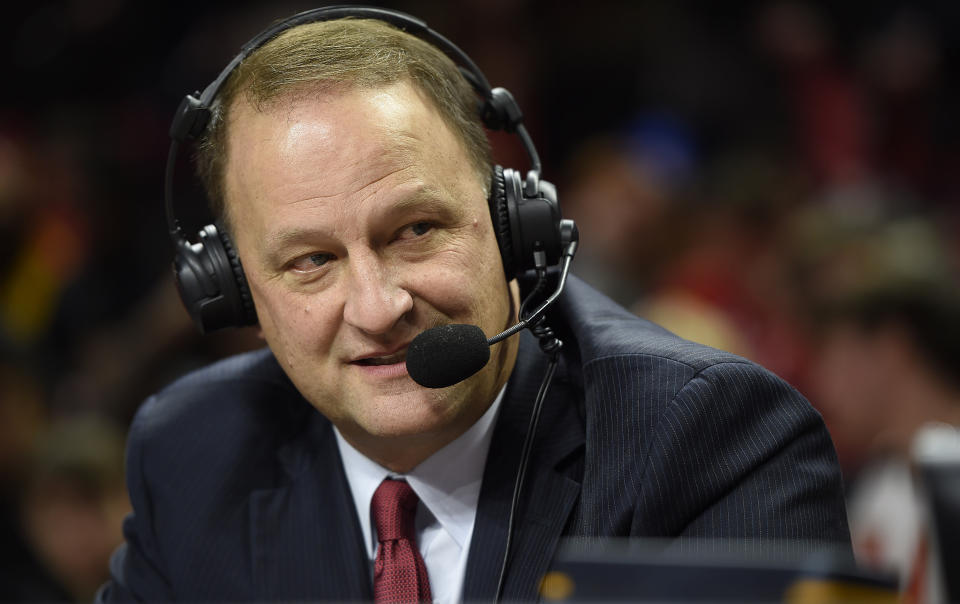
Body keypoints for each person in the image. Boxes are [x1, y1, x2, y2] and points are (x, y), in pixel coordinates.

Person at [97, 8, 851, 602]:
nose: (378, 305)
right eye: (311, 261)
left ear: (512, 227)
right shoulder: (193, 455)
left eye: (416, 230)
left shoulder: (708, 444)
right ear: (235, 292)